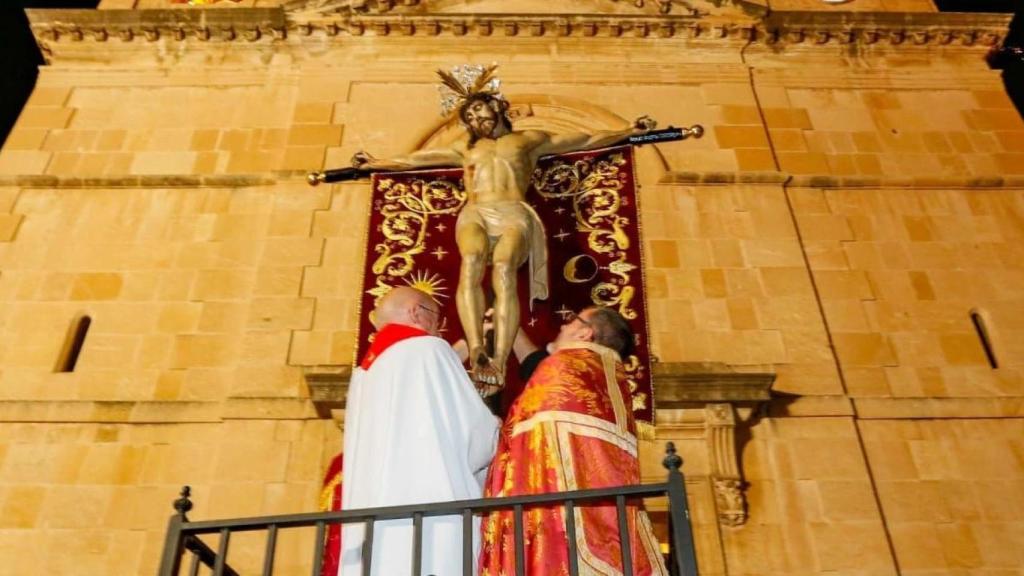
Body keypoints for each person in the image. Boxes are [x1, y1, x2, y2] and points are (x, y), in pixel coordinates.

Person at [352, 64, 657, 390]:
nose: (475, 119)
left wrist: (628, 131)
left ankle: (499, 357)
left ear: (497, 106)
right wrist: (374, 164)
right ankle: (477, 348)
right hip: (476, 211)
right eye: (468, 117)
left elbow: (585, 139)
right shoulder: (465, 148)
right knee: (471, 261)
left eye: (478, 109)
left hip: (512, 211)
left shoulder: (528, 141)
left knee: (504, 266)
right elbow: (414, 160)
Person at [478, 306, 668, 576]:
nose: (563, 326)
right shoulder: (604, 378)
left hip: (554, 523)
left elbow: (524, 439)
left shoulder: (562, 367)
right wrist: (511, 327)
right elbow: (538, 370)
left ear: (584, 333)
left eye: (571, 321)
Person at [340, 286, 500, 576]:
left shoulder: (364, 374)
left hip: (375, 523)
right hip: (431, 516)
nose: (438, 330)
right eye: (436, 319)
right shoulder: (430, 349)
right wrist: (497, 431)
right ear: (416, 312)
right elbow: (475, 435)